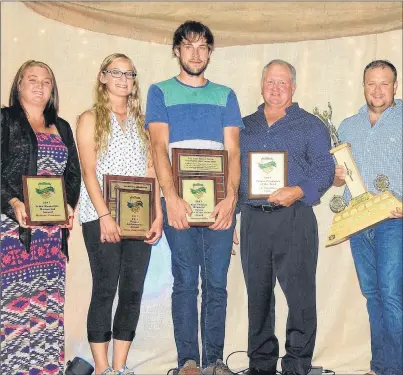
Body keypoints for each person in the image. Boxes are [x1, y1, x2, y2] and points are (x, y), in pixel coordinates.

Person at [145, 21, 243, 375]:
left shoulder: (226, 95)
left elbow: (233, 151)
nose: (196, 53)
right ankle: (187, 362)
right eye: (188, 46)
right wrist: (169, 197)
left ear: (210, 53)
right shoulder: (159, 92)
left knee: (217, 283)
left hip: (219, 204)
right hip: (177, 203)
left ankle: (214, 361)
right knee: (185, 281)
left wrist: (231, 197)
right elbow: (158, 146)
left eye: (203, 47)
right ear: (176, 51)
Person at [236, 59, 334, 375]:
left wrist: (297, 190)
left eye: (282, 82)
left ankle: (297, 364)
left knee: (300, 295)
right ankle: (261, 365)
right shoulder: (244, 125)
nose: (275, 88)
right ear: (261, 84)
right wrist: (233, 212)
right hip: (253, 220)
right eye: (270, 82)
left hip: (296, 217)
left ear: (293, 86)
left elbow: (325, 169)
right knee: (258, 296)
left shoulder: (311, 125)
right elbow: (235, 173)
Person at [76, 53, 163, 375]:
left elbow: (152, 172)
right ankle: (101, 369)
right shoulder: (90, 119)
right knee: (105, 288)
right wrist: (104, 215)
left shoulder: (144, 123)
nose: (124, 79)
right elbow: (88, 172)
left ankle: (120, 366)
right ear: (102, 77)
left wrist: (157, 215)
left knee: (132, 290)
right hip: (100, 217)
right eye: (116, 73)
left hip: (139, 217)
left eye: (130, 74)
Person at [0, 60, 81, 374]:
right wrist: (12, 201)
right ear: (18, 84)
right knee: (15, 309)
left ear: (53, 89)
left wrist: (69, 206)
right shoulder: (5, 120)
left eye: (46, 80)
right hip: (12, 231)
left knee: (48, 307)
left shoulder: (62, 127)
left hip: (51, 237)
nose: (39, 85)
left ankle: (46, 369)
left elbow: (71, 176)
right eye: (31, 79)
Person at [334, 60, 402, 375]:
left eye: (384, 83)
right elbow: (341, 176)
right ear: (363, 85)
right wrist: (335, 177)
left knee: (390, 294)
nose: (377, 90)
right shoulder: (347, 126)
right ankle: (382, 367)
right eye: (371, 83)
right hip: (357, 222)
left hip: (393, 220)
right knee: (373, 295)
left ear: (395, 86)